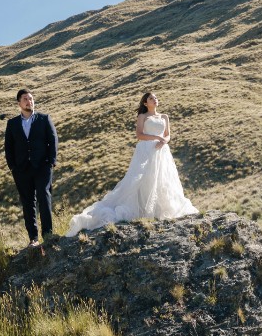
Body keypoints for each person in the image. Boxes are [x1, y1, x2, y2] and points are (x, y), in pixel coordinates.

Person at [66, 92, 198, 236]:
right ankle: (143, 209)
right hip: (147, 149)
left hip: (162, 151)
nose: (154, 100)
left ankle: (160, 210)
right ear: (145, 103)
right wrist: (156, 138)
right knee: (142, 178)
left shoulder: (164, 116)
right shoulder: (142, 117)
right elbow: (139, 135)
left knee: (162, 178)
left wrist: (164, 141)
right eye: (151, 98)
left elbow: (168, 134)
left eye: (155, 98)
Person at [5, 89, 58, 246]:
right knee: (28, 202)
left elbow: (53, 140)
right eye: (25, 99)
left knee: (43, 195)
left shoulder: (44, 119)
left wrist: (51, 162)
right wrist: (13, 167)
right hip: (21, 169)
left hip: (42, 166)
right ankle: (33, 238)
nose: (29, 101)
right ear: (19, 103)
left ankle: (48, 235)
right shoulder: (12, 123)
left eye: (31, 98)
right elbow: (9, 147)